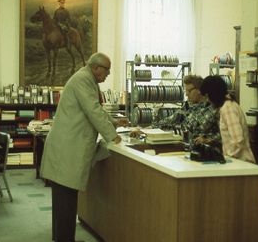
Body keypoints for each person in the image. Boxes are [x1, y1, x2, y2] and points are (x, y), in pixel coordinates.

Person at [40, 52, 128, 242]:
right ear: (96, 68)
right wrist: (113, 136)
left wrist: (114, 122)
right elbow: (93, 111)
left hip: (67, 147)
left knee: (64, 199)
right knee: (66, 200)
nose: (108, 74)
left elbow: (93, 109)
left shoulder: (86, 79)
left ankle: (61, 238)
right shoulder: (83, 80)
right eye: (107, 70)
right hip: (67, 149)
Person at [131, 75, 221, 146]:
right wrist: (143, 131)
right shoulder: (187, 107)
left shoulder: (214, 108)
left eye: (189, 91)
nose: (186, 94)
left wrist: (208, 140)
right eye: (185, 91)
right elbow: (166, 121)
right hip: (186, 150)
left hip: (207, 153)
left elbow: (224, 134)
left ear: (199, 90)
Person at [199, 75, 256, 163]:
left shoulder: (228, 108)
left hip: (241, 163)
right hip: (237, 162)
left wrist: (227, 159)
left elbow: (238, 141)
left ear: (213, 94)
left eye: (207, 96)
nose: (208, 101)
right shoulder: (227, 106)